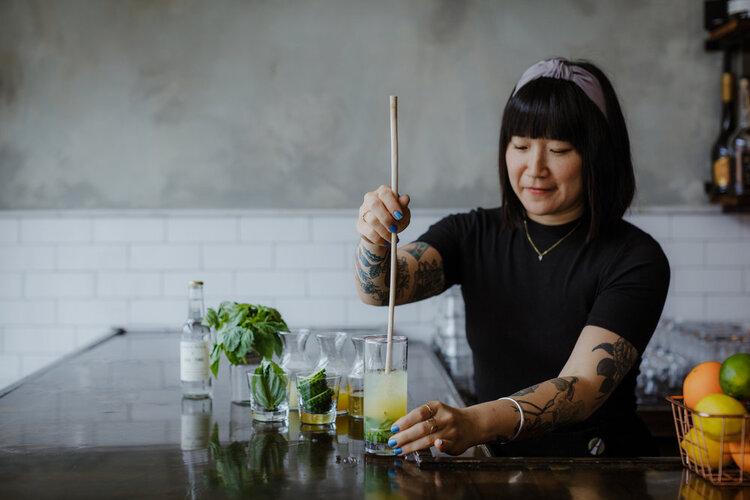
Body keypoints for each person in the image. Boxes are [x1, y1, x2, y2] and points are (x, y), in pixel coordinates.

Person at [353, 58, 670, 457]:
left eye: (558, 149)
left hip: (599, 471)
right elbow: (383, 290)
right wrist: (374, 239)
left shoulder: (635, 258)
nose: (535, 168)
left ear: (597, 155)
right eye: (520, 146)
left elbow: (583, 386)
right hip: (501, 469)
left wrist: (475, 422)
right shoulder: (472, 233)